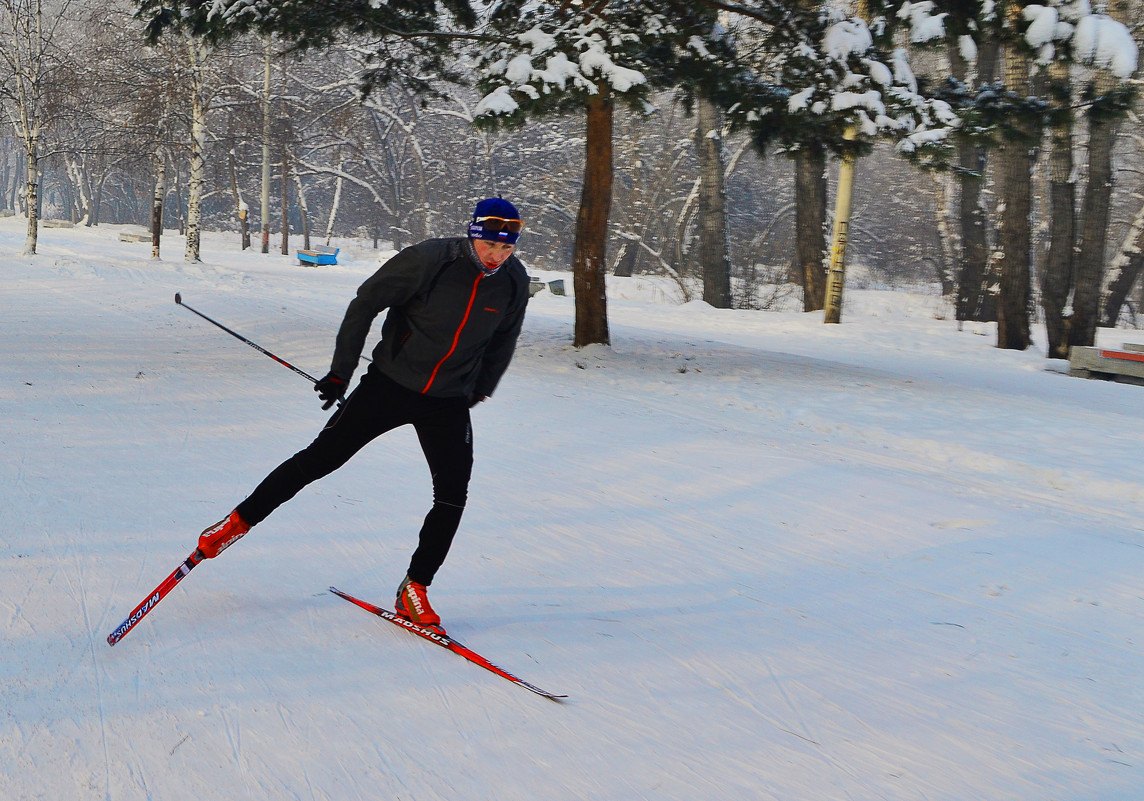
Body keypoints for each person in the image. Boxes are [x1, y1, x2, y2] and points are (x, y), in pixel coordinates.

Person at [195, 198, 530, 633]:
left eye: (506, 249)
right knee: (318, 460)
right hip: (389, 385)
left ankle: (415, 587)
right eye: (489, 244)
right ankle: (235, 522)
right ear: (472, 233)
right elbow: (365, 302)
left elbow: (505, 336)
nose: (496, 256)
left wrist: (482, 386)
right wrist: (340, 373)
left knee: (452, 495)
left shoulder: (513, 280)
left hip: (447, 399)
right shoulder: (430, 260)